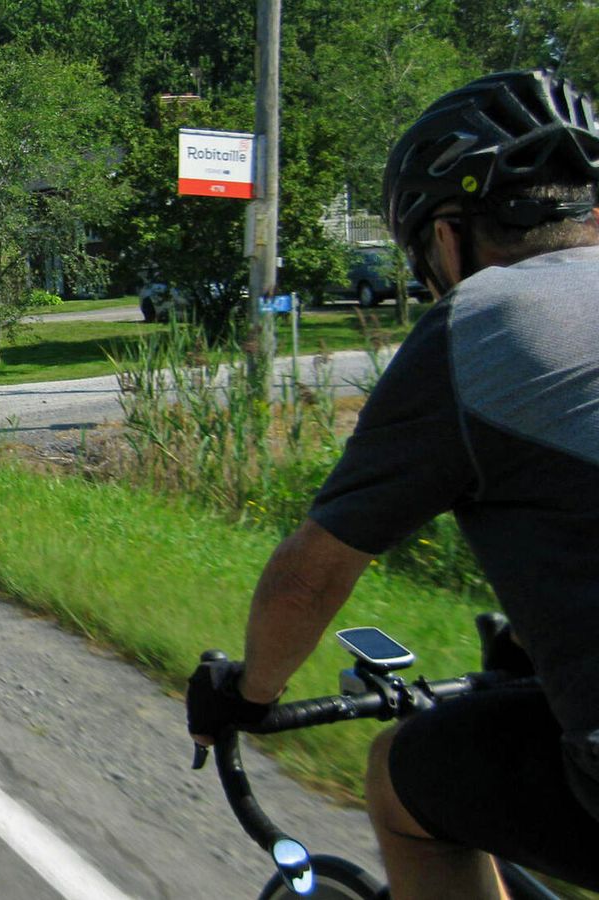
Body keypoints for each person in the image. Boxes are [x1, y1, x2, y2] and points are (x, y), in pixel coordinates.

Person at [186, 69, 599, 898]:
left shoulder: (478, 322)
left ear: (447, 238)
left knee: (396, 779)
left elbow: (314, 573)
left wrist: (248, 695)